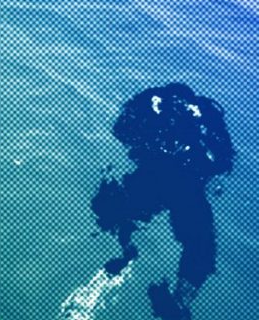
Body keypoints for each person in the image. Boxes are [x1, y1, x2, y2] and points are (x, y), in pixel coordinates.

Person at [90, 83, 235, 320]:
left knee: (112, 210)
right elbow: (223, 163)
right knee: (200, 246)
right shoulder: (207, 116)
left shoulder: (152, 104)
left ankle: (126, 250)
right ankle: (178, 302)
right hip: (186, 186)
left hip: (153, 177)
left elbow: (122, 132)